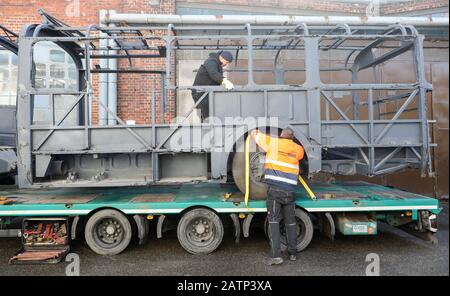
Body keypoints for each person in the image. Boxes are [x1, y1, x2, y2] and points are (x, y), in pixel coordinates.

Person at [250, 127, 305, 266]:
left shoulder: (273, 143)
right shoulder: (298, 149)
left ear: (281, 135)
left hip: (275, 191)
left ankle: (276, 256)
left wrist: (254, 128)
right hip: (290, 192)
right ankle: (292, 253)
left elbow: (255, 135)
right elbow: (300, 155)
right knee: (290, 222)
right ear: (292, 137)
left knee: (274, 222)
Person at [191, 50, 235, 121]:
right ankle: (207, 129)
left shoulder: (218, 65)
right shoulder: (211, 61)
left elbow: (217, 79)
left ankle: (209, 128)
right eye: (226, 62)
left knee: (209, 114)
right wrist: (224, 80)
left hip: (207, 93)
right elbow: (214, 74)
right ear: (222, 58)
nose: (226, 64)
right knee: (205, 114)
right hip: (200, 93)